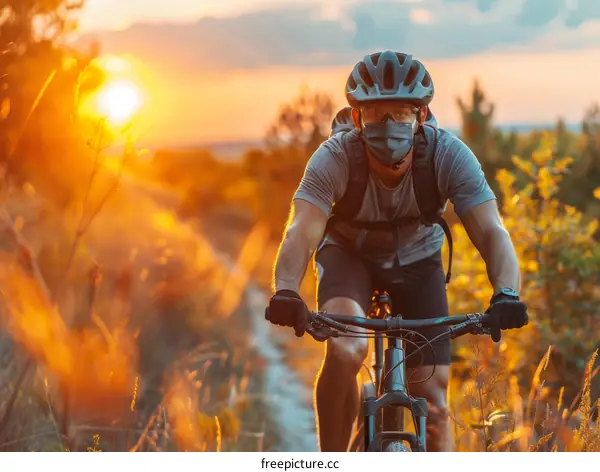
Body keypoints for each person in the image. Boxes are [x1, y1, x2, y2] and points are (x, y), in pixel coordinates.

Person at [265, 50, 528, 452]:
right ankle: (331, 459)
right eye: (375, 115)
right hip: (349, 257)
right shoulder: (335, 158)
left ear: (422, 116)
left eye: (401, 114)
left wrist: (506, 293)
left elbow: (492, 230)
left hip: (419, 261)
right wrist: (286, 289)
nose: (388, 126)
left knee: (435, 397)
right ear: (356, 118)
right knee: (346, 347)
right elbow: (301, 229)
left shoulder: (448, 155)